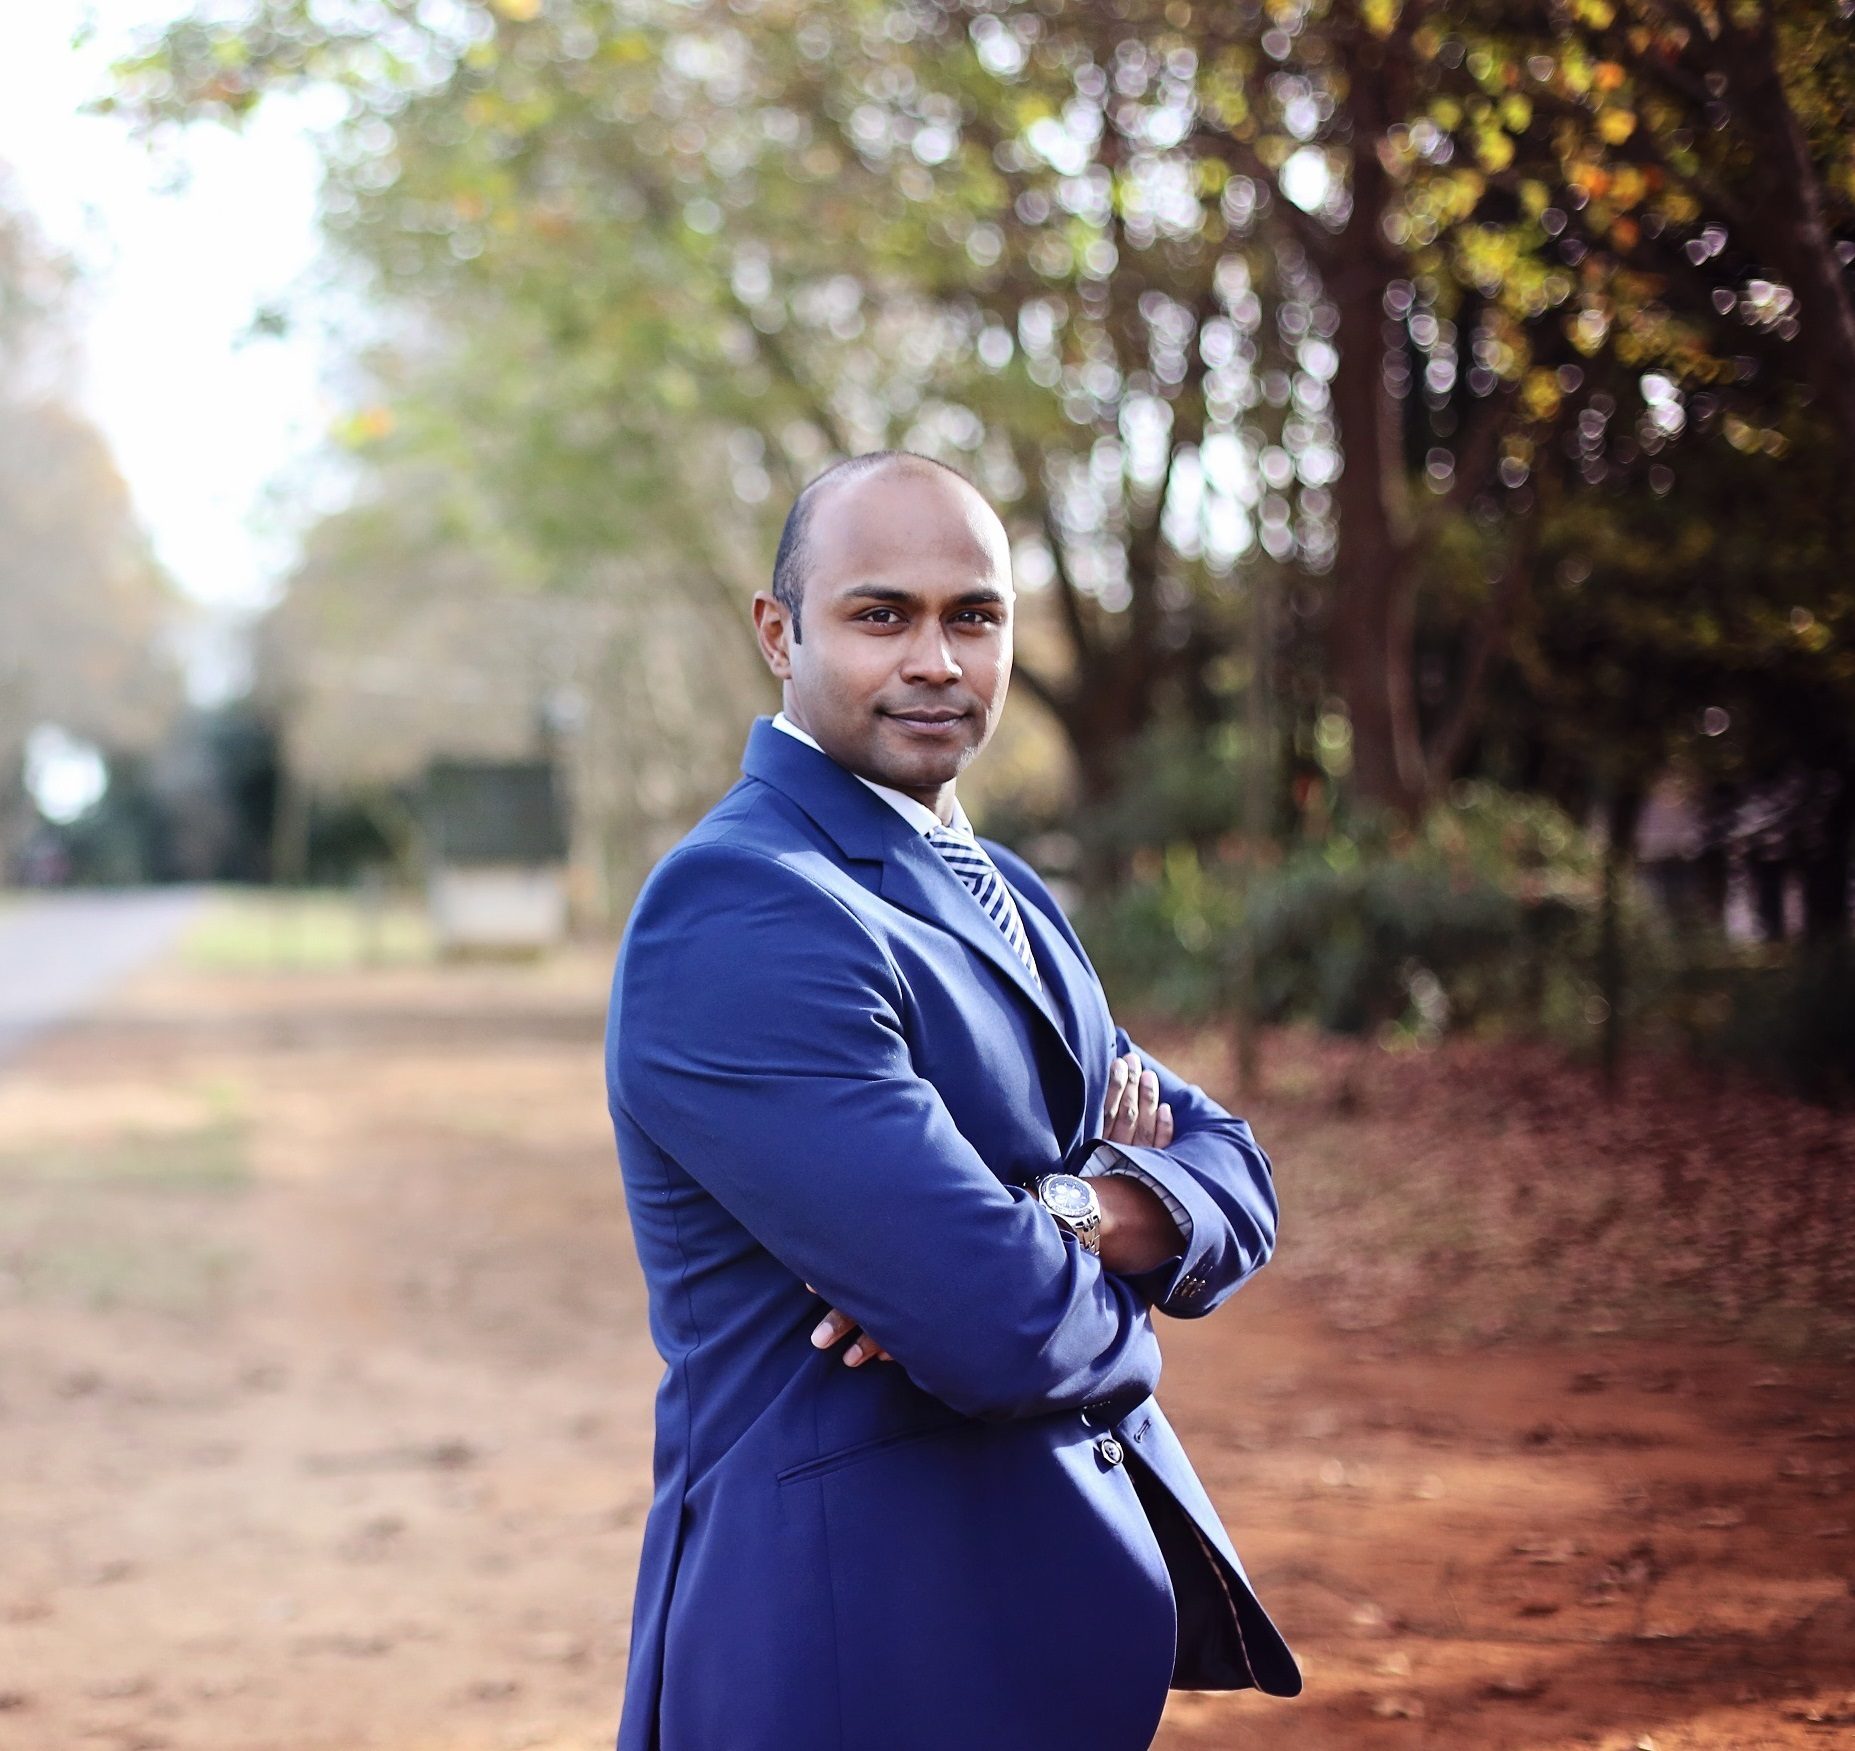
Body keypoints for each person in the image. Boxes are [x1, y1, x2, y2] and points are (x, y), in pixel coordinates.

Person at [604, 451, 1300, 1751]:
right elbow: (991, 1322)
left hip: (1027, 1638)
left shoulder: (1008, 890)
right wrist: (1080, 1261)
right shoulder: (747, 910)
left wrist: (1056, 1209)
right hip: (852, 1659)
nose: (936, 659)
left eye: (972, 615)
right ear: (780, 631)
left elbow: (1233, 1169)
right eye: (883, 614)